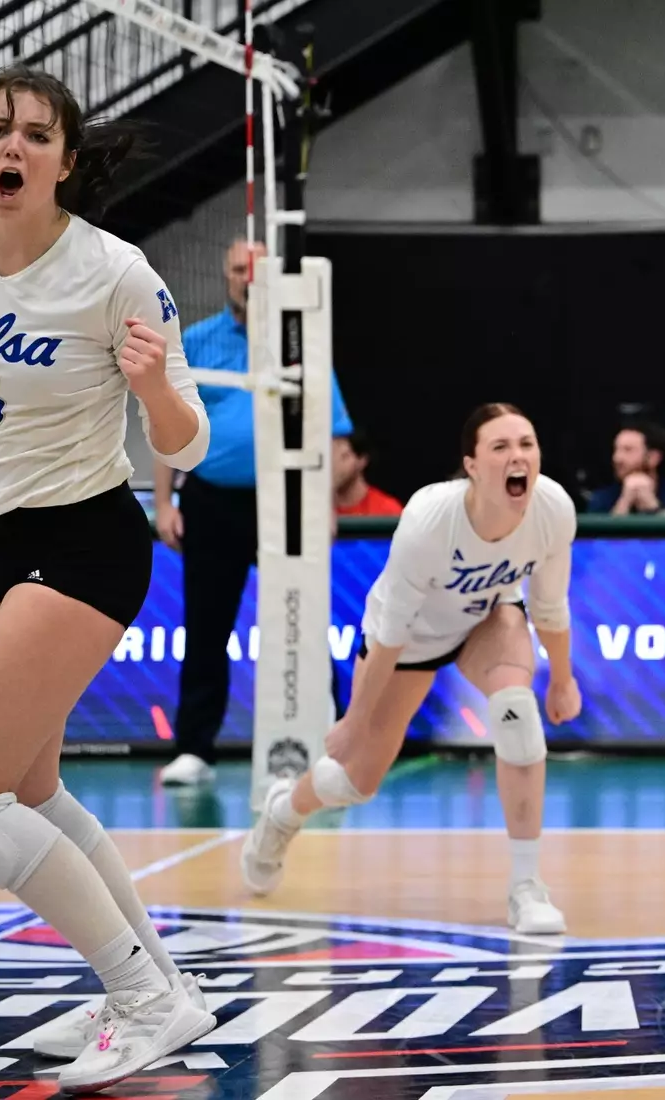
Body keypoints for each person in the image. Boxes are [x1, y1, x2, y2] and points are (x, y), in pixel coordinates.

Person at [0, 65, 214, 1092]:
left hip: (88, 541)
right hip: (0, 540)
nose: (11, 148)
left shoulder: (114, 271)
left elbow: (190, 443)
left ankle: (140, 995)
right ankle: (163, 987)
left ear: (67, 161)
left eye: (34, 134)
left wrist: (155, 387)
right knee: (29, 787)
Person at [240, 403, 583, 933]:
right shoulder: (430, 518)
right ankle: (286, 808)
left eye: (527, 444)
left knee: (518, 717)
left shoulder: (553, 508)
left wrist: (561, 678)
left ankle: (526, 887)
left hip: (487, 620)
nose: (518, 456)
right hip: (408, 642)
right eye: (500, 447)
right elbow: (390, 634)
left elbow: (549, 609)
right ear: (471, 465)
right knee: (355, 781)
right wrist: (355, 721)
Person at [153, 236, 356, 786]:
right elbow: (166, 427)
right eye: (239, 267)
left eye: (257, 268)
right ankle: (194, 749)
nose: (247, 275)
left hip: (287, 499)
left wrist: (325, 505)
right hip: (212, 501)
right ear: (226, 276)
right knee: (205, 629)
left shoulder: (301, 343)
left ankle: (335, 740)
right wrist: (165, 502)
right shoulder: (196, 341)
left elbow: (332, 433)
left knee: (306, 620)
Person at [585, 422, 665, 515]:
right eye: (616, 450)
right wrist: (625, 502)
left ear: (653, 458)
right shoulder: (601, 498)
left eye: (628, 450)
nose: (617, 458)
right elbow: (599, 544)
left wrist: (653, 507)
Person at [333, 429, 404, 516]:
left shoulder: (387, 510)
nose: (334, 464)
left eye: (344, 457)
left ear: (362, 460)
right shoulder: (316, 508)